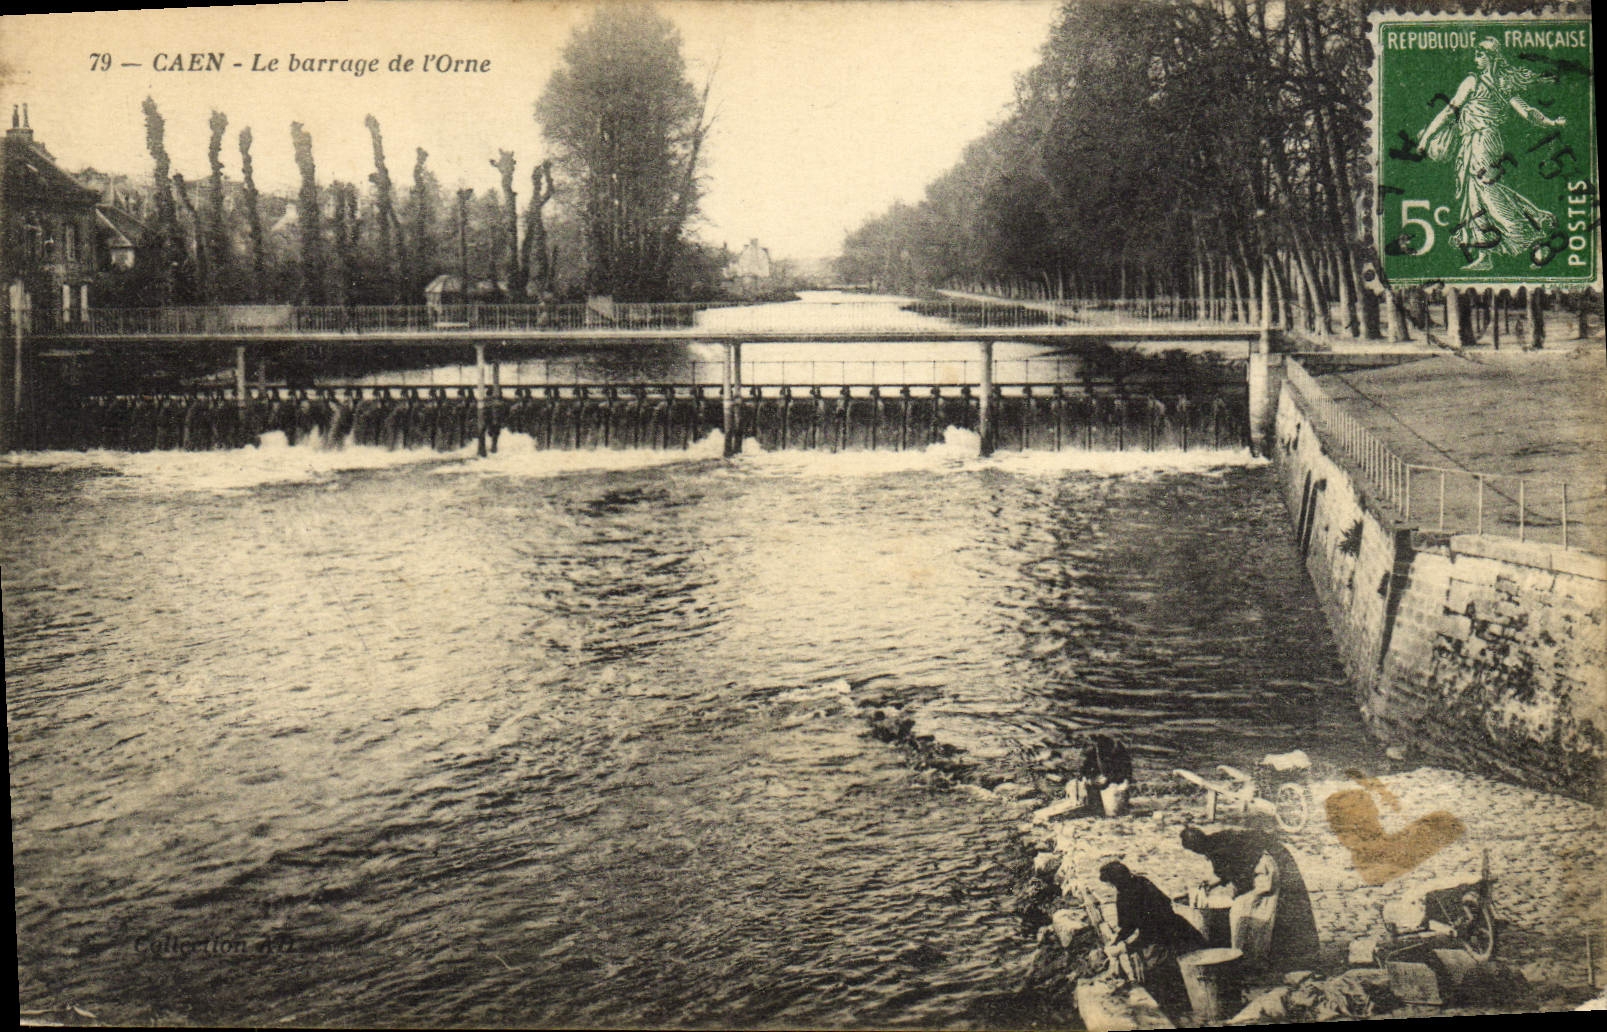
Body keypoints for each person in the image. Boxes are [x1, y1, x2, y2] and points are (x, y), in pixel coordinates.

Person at [1417, 37, 1565, 271]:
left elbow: (1449, 111)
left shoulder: (1472, 81)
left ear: (1490, 58)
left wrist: (1426, 138)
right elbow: (1527, 112)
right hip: (1483, 141)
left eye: (1480, 55)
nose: (1476, 59)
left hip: (1480, 142)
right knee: (1476, 196)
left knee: (1489, 194)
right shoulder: (1504, 83)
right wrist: (1551, 122)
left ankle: (1532, 238)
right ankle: (1487, 256)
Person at [1180, 826, 1319, 972]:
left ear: (1196, 849)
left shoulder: (1217, 851)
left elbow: (1242, 877)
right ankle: (1267, 953)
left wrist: (1231, 895)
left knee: (1252, 910)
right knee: (1260, 908)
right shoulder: (1215, 840)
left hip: (1268, 864)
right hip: (1272, 854)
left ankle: (1256, 958)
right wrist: (1209, 884)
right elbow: (1229, 871)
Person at [1098, 860, 1206, 1019]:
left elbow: (1148, 931)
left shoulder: (1128, 895)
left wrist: (1124, 946)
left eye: (1111, 885)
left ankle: (1178, 1014)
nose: (1111, 889)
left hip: (1170, 936)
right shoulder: (1139, 882)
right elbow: (1128, 926)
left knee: (1167, 974)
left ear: (1116, 882)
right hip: (1176, 929)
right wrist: (1116, 939)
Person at [1070, 734, 1133, 816]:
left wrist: (1109, 779)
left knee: (1112, 812)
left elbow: (1125, 773)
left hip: (1115, 784)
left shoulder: (1117, 751)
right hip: (1100, 783)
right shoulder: (1093, 751)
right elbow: (1084, 769)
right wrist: (1089, 779)